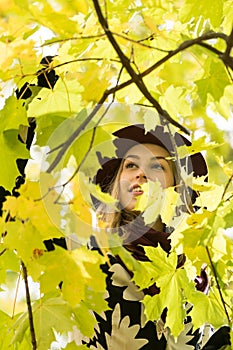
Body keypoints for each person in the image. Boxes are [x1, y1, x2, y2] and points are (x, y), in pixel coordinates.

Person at [76, 124, 229, 349]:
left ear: (178, 187)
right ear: (117, 184)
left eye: (157, 165)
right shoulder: (88, 256)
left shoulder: (199, 274)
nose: (141, 173)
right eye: (130, 165)